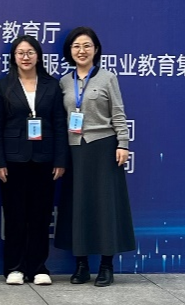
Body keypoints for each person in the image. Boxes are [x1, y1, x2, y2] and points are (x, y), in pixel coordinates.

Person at [54, 26, 135, 287]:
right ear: (69, 51)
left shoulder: (108, 78)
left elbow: (118, 113)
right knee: (78, 207)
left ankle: (106, 266)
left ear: (96, 49)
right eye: (76, 46)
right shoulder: (64, 82)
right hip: (74, 150)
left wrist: (123, 143)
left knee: (104, 207)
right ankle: (81, 265)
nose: (82, 51)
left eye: (87, 45)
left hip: (103, 147)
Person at [0, 35, 67, 286]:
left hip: (45, 159)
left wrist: (60, 159)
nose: (25, 57)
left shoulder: (51, 85)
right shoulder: (4, 86)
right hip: (13, 160)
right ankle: (14, 268)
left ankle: (38, 267)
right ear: (13, 57)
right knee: (15, 216)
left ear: (38, 56)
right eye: (20, 53)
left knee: (40, 216)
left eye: (30, 52)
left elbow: (59, 124)